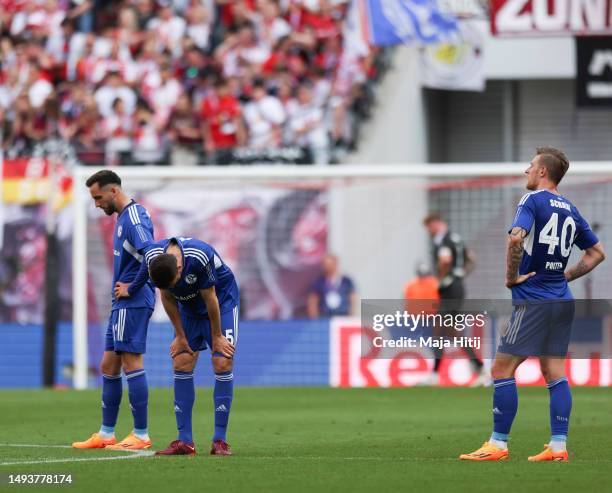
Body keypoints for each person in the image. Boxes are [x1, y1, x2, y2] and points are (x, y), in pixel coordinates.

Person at [460, 147, 605, 462]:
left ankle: (497, 445)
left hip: (534, 300)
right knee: (554, 370)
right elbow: (597, 253)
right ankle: (558, 447)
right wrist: (565, 276)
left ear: (543, 172)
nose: (526, 170)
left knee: (501, 368)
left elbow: (516, 238)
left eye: (530, 166)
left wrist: (511, 277)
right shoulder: (570, 208)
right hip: (561, 300)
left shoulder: (531, 200)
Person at [116, 236, 238, 456]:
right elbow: (166, 295)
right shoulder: (154, 258)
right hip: (189, 308)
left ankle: (220, 440)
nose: (172, 288)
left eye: (174, 283)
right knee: (181, 361)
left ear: (180, 268)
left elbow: (211, 298)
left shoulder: (200, 255)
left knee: (222, 360)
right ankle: (185, 442)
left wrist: (217, 336)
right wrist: (180, 335)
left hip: (222, 301)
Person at [72, 170, 156, 451]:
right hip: (122, 303)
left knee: (132, 363)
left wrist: (132, 287)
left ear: (113, 192)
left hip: (133, 300)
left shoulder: (133, 218)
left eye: (98, 197)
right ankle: (107, 433)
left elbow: (152, 254)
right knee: (108, 365)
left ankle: (141, 435)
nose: (96, 204)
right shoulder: (123, 218)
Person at [422, 212, 486, 386]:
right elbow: (472, 259)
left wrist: (442, 280)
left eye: (428, 227)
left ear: (435, 223)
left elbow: (444, 261)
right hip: (456, 287)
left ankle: (437, 375)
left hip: (449, 289)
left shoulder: (443, 240)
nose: (428, 231)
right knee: (450, 332)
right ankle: (478, 367)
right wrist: (460, 276)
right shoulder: (456, 239)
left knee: (441, 330)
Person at [307, 254, 356, 318]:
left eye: (329, 264)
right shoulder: (319, 282)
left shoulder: (346, 281)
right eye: (325, 265)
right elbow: (313, 300)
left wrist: (351, 315)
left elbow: (353, 298)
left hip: (343, 316)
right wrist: (314, 318)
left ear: (335, 264)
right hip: (324, 317)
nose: (327, 267)